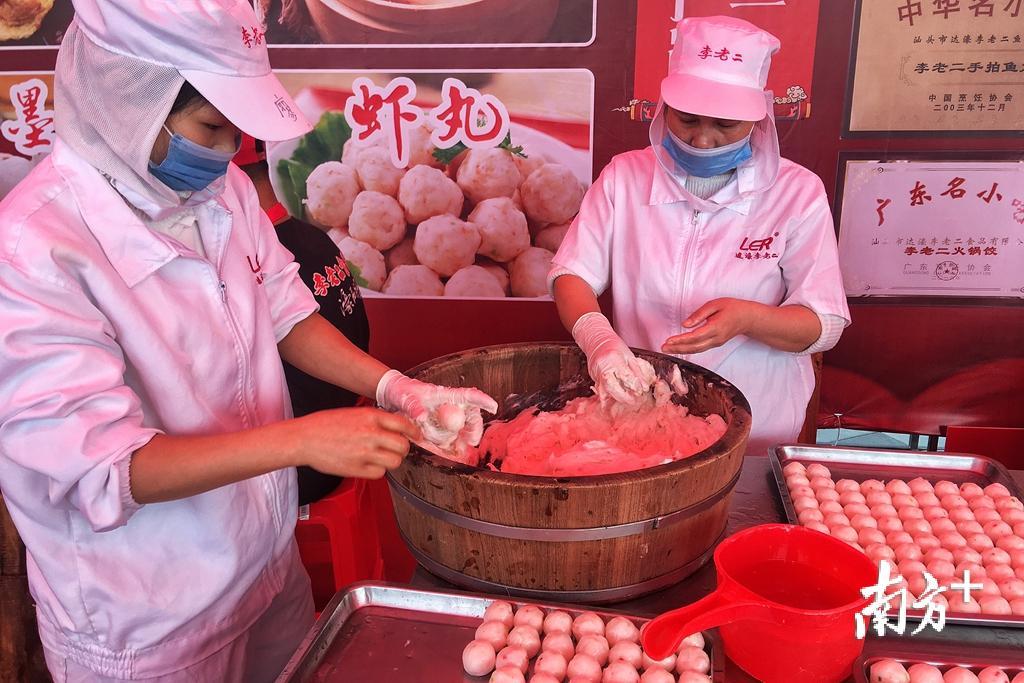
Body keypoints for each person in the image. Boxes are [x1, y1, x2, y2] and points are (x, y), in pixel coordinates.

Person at [0, 2, 495, 682]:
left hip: (263, 565)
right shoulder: (33, 250)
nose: (230, 149)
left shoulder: (221, 193)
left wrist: (395, 387)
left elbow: (286, 312)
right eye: (210, 126)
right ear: (129, 94)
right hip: (151, 618)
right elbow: (105, 471)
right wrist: (300, 440)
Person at [550, 16, 849, 458]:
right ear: (664, 109)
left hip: (755, 424)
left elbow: (823, 324)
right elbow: (571, 273)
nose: (703, 140)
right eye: (687, 120)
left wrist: (747, 319)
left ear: (757, 119)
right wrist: (601, 342)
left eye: (726, 125)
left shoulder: (796, 193)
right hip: (642, 412)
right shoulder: (624, 178)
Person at [234, 134, 370, 505]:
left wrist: (393, 386)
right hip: (338, 431)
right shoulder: (314, 239)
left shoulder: (258, 262)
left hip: (307, 463)